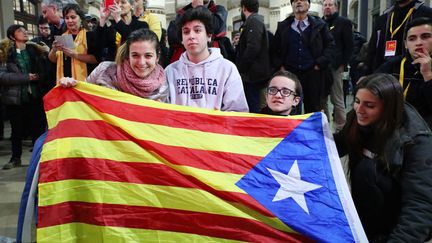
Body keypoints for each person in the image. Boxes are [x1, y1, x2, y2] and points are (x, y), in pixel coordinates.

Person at [334, 73, 432, 242]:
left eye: (369, 105)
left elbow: (420, 206)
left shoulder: (416, 142)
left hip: (393, 230)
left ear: (388, 108)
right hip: (363, 222)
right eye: (356, 101)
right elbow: (334, 146)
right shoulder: (357, 119)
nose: (359, 110)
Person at [165, 6, 248, 112]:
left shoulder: (227, 69)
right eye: (186, 32)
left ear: (209, 36)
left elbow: (238, 112)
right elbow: (163, 111)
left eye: (197, 30)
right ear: (181, 39)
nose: (191, 36)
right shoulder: (170, 71)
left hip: (215, 128)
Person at [60, 29, 168, 102]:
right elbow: (82, 95)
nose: (141, 62)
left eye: (148, 56)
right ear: (128, 55)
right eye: (135, 55)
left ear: (157, 57)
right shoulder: (104, 69)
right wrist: (71, 85)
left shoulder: (163, 86)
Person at [270, 0, 335, 114]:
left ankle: (311, 132)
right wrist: (281, 67)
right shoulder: (284, 26)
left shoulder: (320, 25)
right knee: (291, 108)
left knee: (313, 108)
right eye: (295, 0)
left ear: (309, 4)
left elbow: (330, 46)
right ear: (292, 5)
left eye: (302, 0)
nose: (298, 2)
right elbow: (274, 50)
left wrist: (319, 64)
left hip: (312, 74)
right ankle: (293, 131)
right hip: (290, 75)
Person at [0, 25, 48, 170]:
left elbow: (45, 70)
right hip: (15, 98)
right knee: (16, 131)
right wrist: (25, 77)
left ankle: (40, 158)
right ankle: (16, 158)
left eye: (25, 30)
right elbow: (3, 76)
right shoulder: (5, 53)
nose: (25, 32)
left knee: (37, 129)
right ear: (12, 36)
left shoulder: (35, 50)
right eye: (20, 31)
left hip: (34, 95)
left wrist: (39, 76)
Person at [376, 17, 432, 127]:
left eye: (425, 37)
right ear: (406, 44)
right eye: (412, 39)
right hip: (396, 126)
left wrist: (428, 75)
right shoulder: (392, 66)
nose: (418, 43)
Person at [366, 0, 432, 73]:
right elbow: (372, 49)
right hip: (384, 75)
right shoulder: (383, 19)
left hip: (416, 73)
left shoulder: (427, 13)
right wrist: (367, 73)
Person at [321, 0, 353, 131]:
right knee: (322, 99)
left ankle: (341, 129)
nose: (327, 7)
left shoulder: (343, 23)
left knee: (337, 99)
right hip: (322, 67)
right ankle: (325, 127)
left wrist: (343, 64)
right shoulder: (319, 23)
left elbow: (349, 46)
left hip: (335, 67)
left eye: (330, 5)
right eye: (325, 5)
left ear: (336, 7)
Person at [48, 3, 99, 82]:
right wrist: (54, 50)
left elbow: (95, 59)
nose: (69, 21)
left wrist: (75, 55)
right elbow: (53, 60)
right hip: (64, 82)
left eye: (73, 17)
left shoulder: (89, 35)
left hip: (84, 81)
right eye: (67, 18)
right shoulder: (62, 36)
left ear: (81, 18)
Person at [236, 0, 271, 113]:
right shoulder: (254, 22)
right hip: (253, 75)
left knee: (254, 109)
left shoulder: (253, 22)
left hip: (253, 77)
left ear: (244, 8)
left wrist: (240, 68)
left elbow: (253, 48)